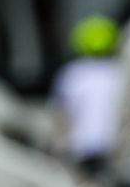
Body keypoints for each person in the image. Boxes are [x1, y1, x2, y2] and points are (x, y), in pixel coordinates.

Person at [52, 16, 124, 177]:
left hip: (82, 149)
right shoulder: (122, 71)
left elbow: (62, 116)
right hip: (116, 148)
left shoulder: (70, 74)